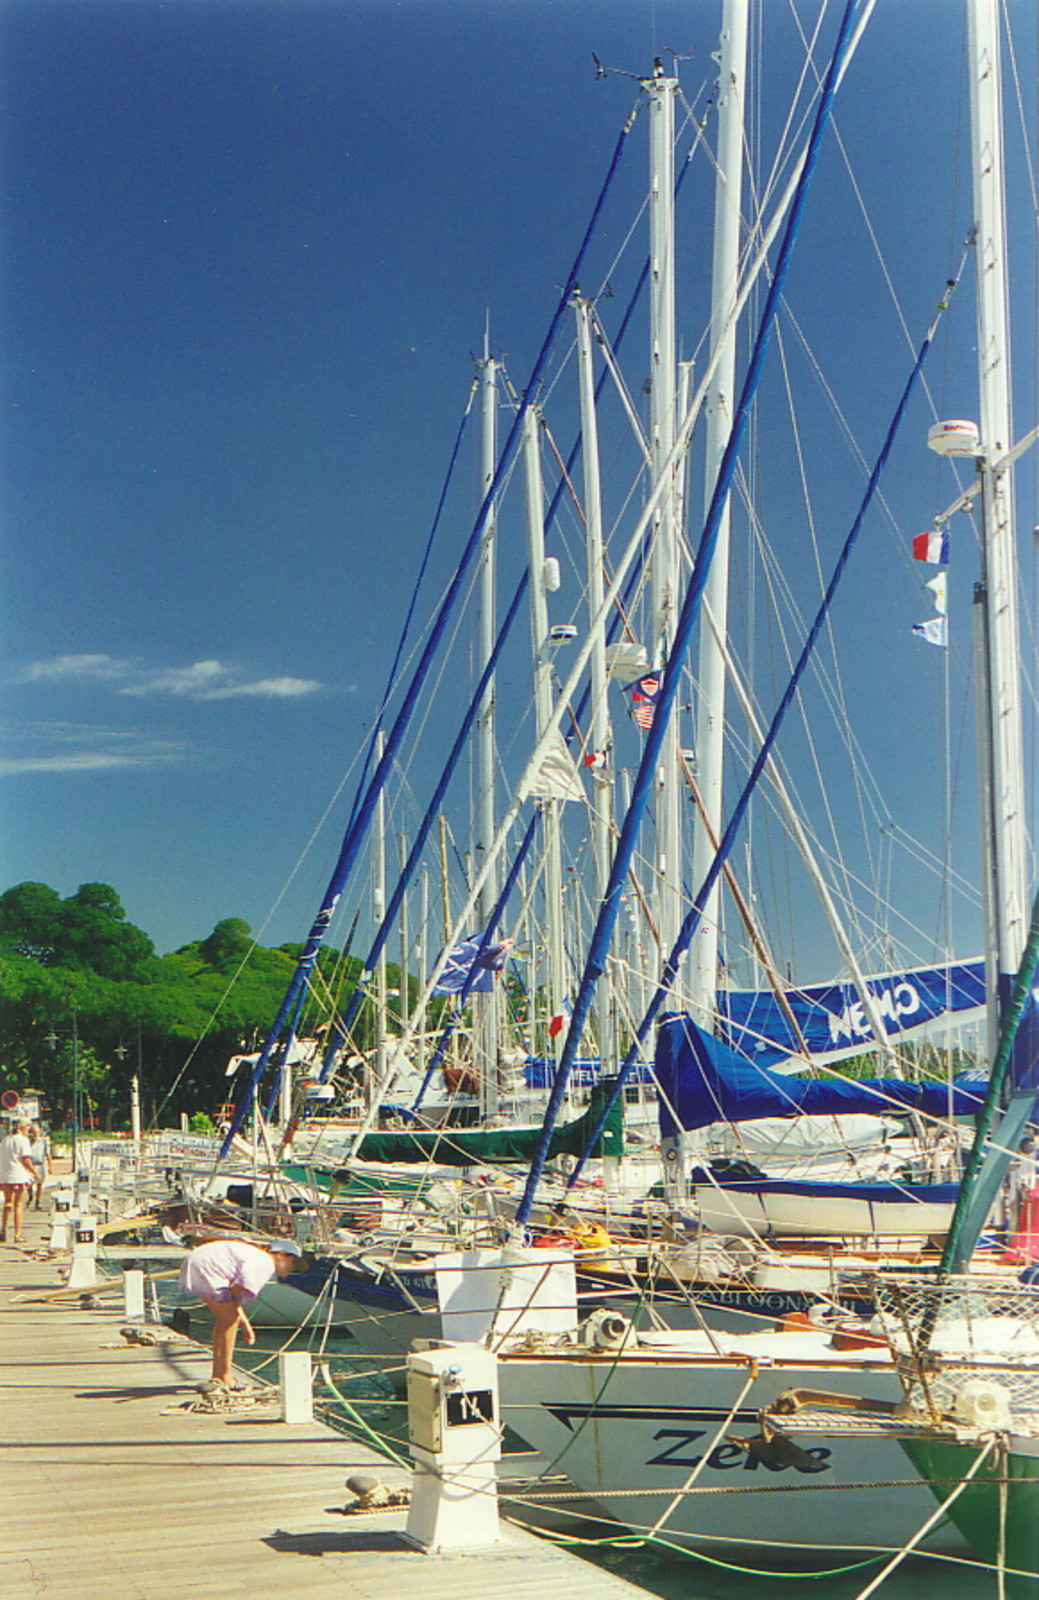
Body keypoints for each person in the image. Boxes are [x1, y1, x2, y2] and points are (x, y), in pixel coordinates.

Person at [177, 1235, 303, 1393]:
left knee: (225, 1319)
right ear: (281, 1255)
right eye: (293, 1262)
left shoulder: (257, 1257)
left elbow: (233, 1297)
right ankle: (224, 1377)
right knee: (229, 1320)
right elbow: (236, 1291)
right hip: (207, 1266)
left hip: (197, 1261)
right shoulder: (266, 1264)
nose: (294, 1269)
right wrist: (242, 1323)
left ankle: (218, 1376)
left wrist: (245, 1325)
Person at [0, 1118, 39, 1243]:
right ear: (22, 1127)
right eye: (28, 1126)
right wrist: (35, 1173)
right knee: (18, 1205)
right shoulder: (23, 1141)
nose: (29, 1129)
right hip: (18, 1174)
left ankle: (3, 1230)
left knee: (7, 1203)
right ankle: (17, 1234)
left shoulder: (5, 1140)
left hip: (5, 1175)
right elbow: (26, 1160)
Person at [28, 1124, 51, 1210]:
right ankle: (30, 1196)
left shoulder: (43, 1141)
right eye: (33, 1131)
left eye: (37, 1131)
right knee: (29, 1184)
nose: (35, 1133)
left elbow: (47, 1153)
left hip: (40, 1164)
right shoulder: (28, 1141)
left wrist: (50, 1165)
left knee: (39, 1184)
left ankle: (38, 1201)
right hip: (31, 1165)